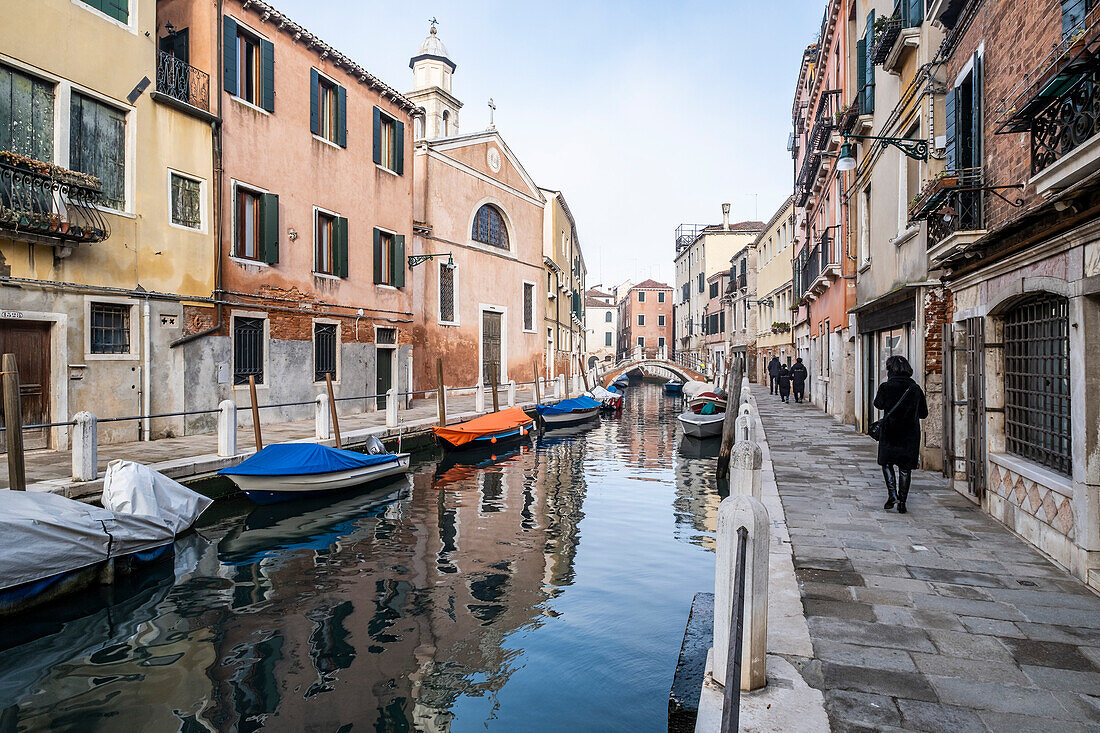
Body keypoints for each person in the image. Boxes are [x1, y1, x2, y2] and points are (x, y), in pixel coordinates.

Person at [872, 355, 928, 514]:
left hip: (890, 432)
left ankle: (892, 494)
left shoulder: (886, 387)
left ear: (891, 369)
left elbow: (878, 404)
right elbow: (924, 413)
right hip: (910, 433)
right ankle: (902, 502)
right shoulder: (915, 389)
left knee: (887, 463)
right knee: (905, 468)